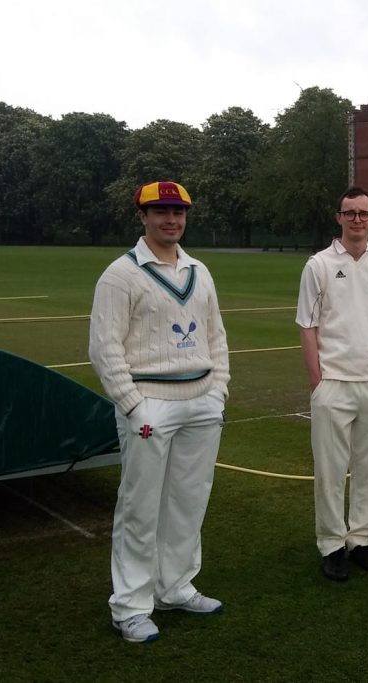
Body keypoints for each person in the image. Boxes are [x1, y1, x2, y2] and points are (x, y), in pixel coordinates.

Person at [89, 181, 230, 644]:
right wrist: (131, 405)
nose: (171, 219)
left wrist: (219, 392)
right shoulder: (120, 274)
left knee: (189, 501)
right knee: (140, 506)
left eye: (178, 211)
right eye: (161, 211)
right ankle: (130, 606)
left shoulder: (199, 271)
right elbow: (105, 348)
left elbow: (217, 337)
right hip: (150, 403)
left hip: (201, 399)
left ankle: (175, 587)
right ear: (143, 217)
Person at [296, 186, 368, 582]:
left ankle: (361, 540)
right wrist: (317, 380)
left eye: (364, 212)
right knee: (330, 469)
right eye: (350, 212)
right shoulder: (319, 265)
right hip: (334, 382)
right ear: (338, 218)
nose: (357, 219)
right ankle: (331, 544)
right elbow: (308, 326)